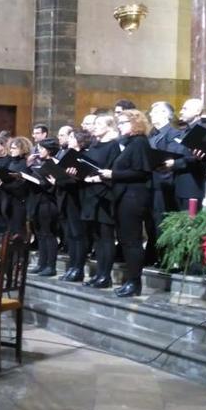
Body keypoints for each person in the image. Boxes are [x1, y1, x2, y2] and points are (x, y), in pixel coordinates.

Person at [93, 109, 153, 297]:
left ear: (135, 123)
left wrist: (113, 174)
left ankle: (135, 283)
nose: (120, 126)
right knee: (126, 241)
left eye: (123, 122)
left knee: (132, 242)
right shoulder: (129, 144)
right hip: (124, 197)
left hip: (133, 198)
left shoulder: (140, 143)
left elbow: (142, 172)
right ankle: (131, 281)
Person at [79, 115, 121, 288]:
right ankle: (98, 274)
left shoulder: (114, 146)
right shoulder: (95, 145)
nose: (95, 127)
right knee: (96, 237)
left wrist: (97, 179)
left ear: (110, 127)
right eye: (94, 124)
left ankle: (106, 276)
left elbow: (114, 170)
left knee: (106, 237)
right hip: (91, 194)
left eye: (98, 124)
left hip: (105, 195)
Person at [57, 128, 93, 282]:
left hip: (79, 198)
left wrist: (72, 175)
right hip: (67, 197)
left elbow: (84, 177)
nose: (69, 139)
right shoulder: (68, 155)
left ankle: (78, 268)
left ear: (79, 140)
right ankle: (72, 266)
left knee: (79, 235)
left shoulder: (84, 156)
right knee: (71, 234)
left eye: (72, 137)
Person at [146, 101, 179, 264]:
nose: (151, 114)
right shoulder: (152, 134)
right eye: (152, 112)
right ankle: (155, 255)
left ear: (167, 114)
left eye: (156, 111)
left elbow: (170, 157)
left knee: (161, 221)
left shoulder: (173, 134)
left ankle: (166, 257)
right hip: (151, 183)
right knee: (152, 222)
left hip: (164, 183)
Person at [164, 98, 206, 209]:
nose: (181, 112)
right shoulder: (185, 131)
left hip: (191, 186)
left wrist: (174, 163)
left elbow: (197, 158)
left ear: (197, 111)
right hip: (180, 184)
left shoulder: (202, 130)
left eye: (185, 108)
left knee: (189, 223)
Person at [27, 137, 60, 276]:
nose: (38, 151)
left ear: (49, 150)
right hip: (38, 202)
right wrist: (29, 168)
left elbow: (53, 184)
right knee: (40, 234)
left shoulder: (54, 164)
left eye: (41, 148)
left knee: (49, 234)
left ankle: (50, 266)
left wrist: (42, 182)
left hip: (48, 203)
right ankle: (41, 263)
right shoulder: (40, 163)